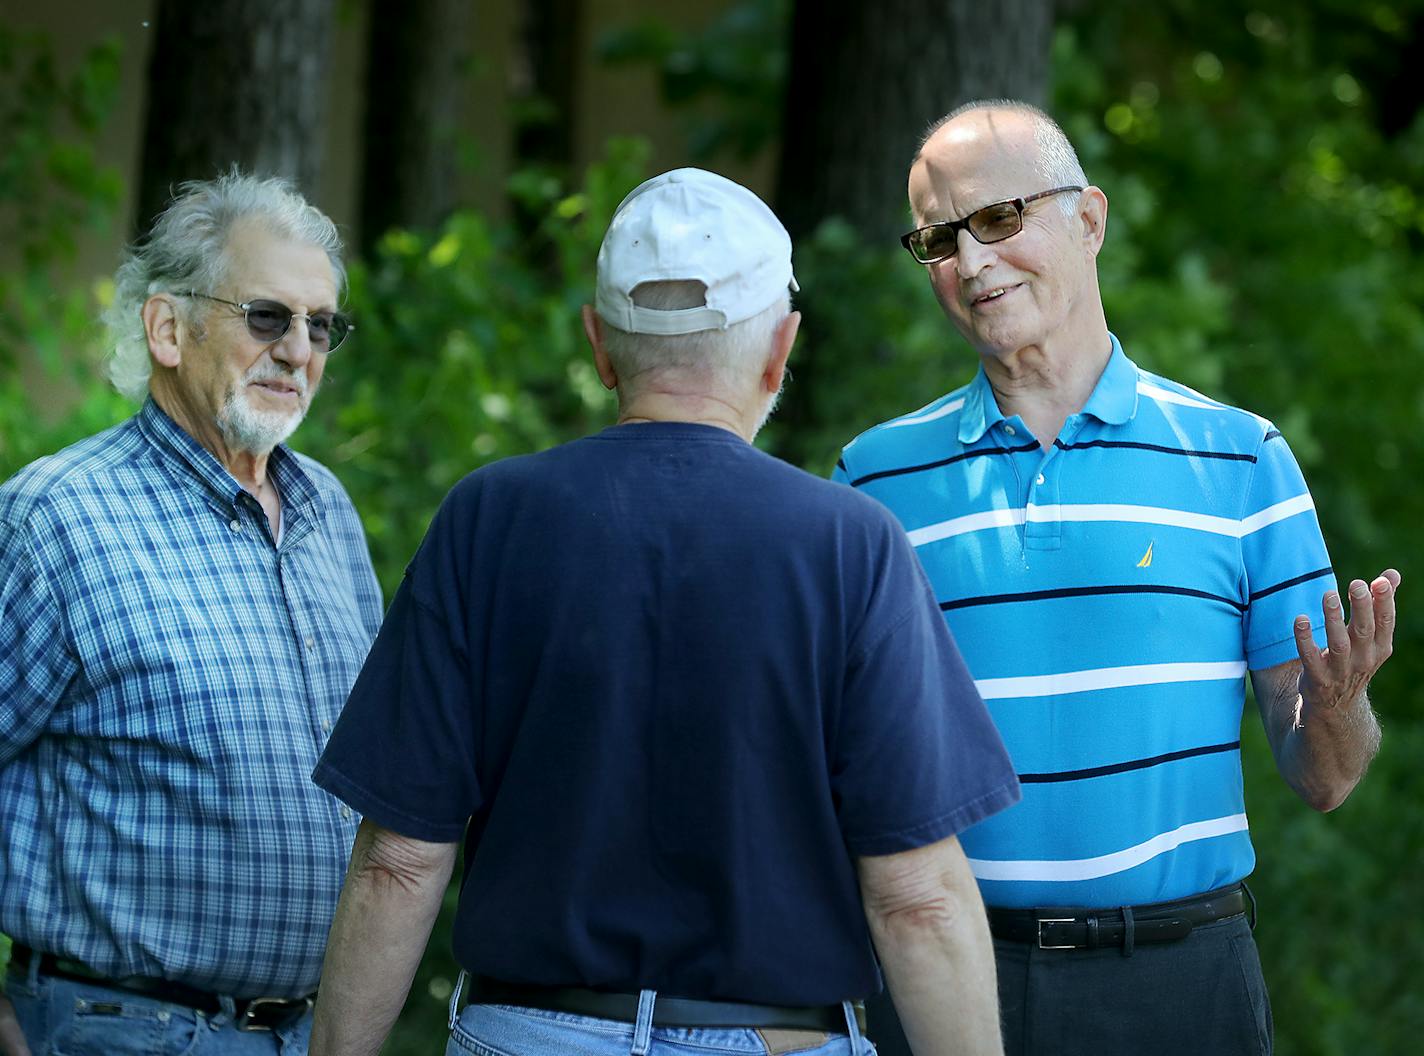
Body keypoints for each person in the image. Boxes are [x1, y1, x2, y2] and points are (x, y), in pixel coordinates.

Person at [305, 167, 1023, 1056]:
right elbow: (918, 899)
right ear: (780, 347)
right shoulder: (850, 544)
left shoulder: (488, 519)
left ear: (600, 345)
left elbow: (398, 860)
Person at [833, 100, 1400, 1056]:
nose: (971, 264)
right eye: (938, 238)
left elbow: (1324, 781)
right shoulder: (871, 481)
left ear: (1088, 220)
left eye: (999, 219)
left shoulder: (1240, 459)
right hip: (942, 986)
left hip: (1179, 983)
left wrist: (1337, 708)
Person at [0, 172, 383, 1056]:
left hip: (307, 1035)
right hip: (117, 1030)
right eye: (266, 317)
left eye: (320, 325)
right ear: (168, 328)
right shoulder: (58, 519)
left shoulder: (328, 510)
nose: (299, 350)